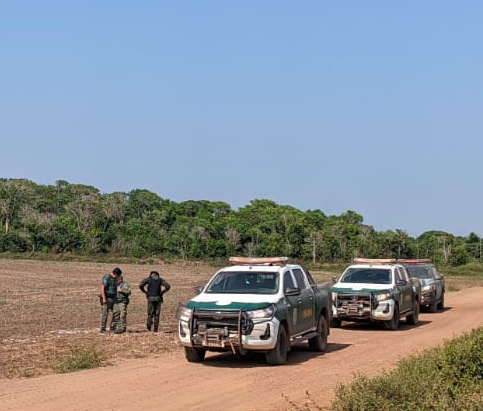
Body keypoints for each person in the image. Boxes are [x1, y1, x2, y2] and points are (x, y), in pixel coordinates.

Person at [99, 267, 122, 332]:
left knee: (117, 312)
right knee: (105, 314)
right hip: (106, 297)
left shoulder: (115, 279)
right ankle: (103, 328)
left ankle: (113, 327)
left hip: (114, 298)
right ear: (116, 274)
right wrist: (104, 298)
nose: (118, 277)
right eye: (118, 276)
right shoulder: (107, 277)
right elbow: (102, 287)